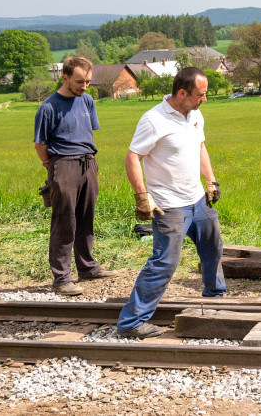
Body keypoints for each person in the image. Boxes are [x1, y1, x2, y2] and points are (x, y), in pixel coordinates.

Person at [116, 67, 226, 338]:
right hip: (170, 205)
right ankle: (131, 323)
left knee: (213, 248)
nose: (205, 99)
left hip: (198, 199)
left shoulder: (195, 114)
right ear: (182, 93)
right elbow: (132, 157)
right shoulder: (153, 120)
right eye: (201, 94)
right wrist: (142, 196)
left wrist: (210, 180)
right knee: (165, 261)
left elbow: (200, 146)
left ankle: (215, 298)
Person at [33, 56, 116, 296]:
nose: (84, 87)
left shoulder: (88, 101)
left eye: (88, 81)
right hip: (64, 165)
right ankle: (61, 279)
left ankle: (87, 268)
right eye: (80, 81)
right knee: (64, 221)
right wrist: (51, 165)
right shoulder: (48, 107)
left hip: (88, 163)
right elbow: (40, 143)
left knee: (85, 217)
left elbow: (88, 132)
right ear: (65, 77)